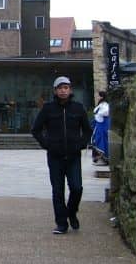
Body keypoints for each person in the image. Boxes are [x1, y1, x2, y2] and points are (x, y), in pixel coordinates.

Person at [31, 76, 91, 235]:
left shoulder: (78, 108)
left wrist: (81, 143)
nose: (63, 90)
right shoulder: (48, 108)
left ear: (70, 90)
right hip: (55, 156)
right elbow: (36, 129)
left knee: (77, 188)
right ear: (55, 90)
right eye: (60, 88)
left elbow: (87, 130)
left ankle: (71, 212)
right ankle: (61, 223)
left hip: (73, 155)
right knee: (58, 191)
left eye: (66, 87)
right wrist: (47, 144)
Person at [91, 91, 110, 165]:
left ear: (102, 97)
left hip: (102, 125)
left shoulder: (104, 105)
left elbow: (106, 112)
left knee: (101, 140)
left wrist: (99, 114)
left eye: (98, 96)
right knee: (98, 140)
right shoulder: (101, 104)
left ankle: (104, 159)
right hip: (100, 125)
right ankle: (100, 159)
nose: (97, 97)